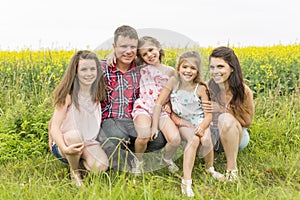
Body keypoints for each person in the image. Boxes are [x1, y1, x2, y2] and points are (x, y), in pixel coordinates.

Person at [152, 51, 224, 197]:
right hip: (182, 122)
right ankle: (186, 182)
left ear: (197, 71)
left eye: (192, 68)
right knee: (193, 140)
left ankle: (210, 168)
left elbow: (208, 115)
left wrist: (203, 126)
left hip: (199, 121)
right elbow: (160, 101)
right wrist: (165, 112)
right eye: (185, 67)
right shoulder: (173, 82)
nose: (188, 71)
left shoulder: (201, 88)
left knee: (206, 139)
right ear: (178, 68)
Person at [97, 25, 167, 171]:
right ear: (114, 46)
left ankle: (132, 154)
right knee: (115, 135)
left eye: (132, 47)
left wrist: (169, 104)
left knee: (159, 139)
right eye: (123, 46)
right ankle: (114, 157)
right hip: (111, 120)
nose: (128, 51)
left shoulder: (141, 68)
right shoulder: (102, 67)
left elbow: (163, 80)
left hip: (134, 119)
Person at [48, 50, 108, 187]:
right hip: (65, 142)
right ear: (75, 71)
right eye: (84, 69)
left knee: (101, 167)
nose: (89, 73)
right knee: (75, 135)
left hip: (87, 142)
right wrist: (63, 147)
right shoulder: (68, 95)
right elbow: (55, 127)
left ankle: (79, 161)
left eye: (93, 69)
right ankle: (74, 171)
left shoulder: (96, 94)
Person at [202, 46, 255, 182]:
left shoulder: (243, 91)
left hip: (237, 135)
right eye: (212, 67)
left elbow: (247, 121)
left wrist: (221, 109)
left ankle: (231, 170)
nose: (215, 72)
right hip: (213, 134)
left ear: (231, 68)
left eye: (220, 67)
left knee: (225, 119)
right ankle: (209, 164)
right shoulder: (207, 87)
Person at [131, 36, 181, 174]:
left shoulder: (170, 71)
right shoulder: (141, 69)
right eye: (144, 54)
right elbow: (122, 57)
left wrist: (170, 104)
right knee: (143, 135)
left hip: (162, 111)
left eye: (151, 50)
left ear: (158, 48)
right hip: (145, 107)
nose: (149, 55)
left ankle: (166, 158)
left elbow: (175, 92)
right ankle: (138, 161)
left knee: (175, 139)